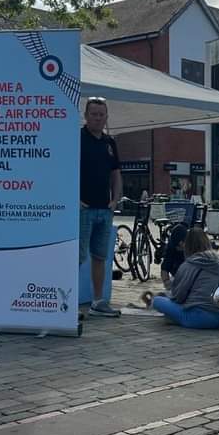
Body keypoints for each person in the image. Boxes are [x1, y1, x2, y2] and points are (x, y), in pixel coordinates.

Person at [80, 98, 122, 317]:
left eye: (101, 114)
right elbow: (64, 169)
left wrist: (115, 200)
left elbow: (116, 173)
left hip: (104, 210)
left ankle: (98, 301)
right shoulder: (77, 138)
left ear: (106, 117)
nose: (98, 118)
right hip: (83, 210)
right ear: (86, 115)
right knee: (76, 257)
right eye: (94, 114)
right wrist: (75, 200)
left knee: (100, 257)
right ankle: (63, 300)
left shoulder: (109, 142)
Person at [151, 229, 219, 329]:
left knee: (157, 300)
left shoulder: (189, 265)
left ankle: (176, 318)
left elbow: (178, 297)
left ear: (187, 245)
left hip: (201, 319)